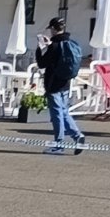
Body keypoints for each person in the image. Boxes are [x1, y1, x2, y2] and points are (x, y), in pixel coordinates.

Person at [35, 16, 86, 154]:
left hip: (53, 83)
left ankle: (59, 144)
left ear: (52, 28)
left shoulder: (54, 46)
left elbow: (42, 63)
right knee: (63, 111)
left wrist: (40, 48)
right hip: (66, 82)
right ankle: (77, 135)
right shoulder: (70, 43)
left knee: (56, 114)